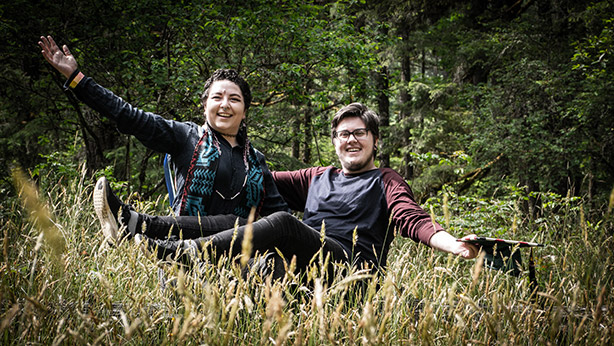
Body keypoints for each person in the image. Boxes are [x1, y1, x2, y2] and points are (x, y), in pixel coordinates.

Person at [94, 102, 478, 278]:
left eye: (360, 134)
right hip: (304, 267)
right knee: (241, 232)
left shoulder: (385, 181)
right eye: (344, 135)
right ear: (334, 142)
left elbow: (415, 221)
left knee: (281, 222)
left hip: (351, 271)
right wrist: (211, 154)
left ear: (374, 140)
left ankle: (175, 253)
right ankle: (136, 224)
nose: (351, 141)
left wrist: (455, 244)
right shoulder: (316, 177)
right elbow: (252, 177)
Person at [38, 35, 288, 243]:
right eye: (217, 97)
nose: (225, 105)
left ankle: (132, 222)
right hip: (181, 255)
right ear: (204, 106)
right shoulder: (186, 136)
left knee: (242, 224)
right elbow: (128, 116)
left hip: (237, 266)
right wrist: (77, 79)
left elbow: (281, 218)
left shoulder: (256, 162)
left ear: (244, 112)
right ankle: (129, 221)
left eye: (234, 99)